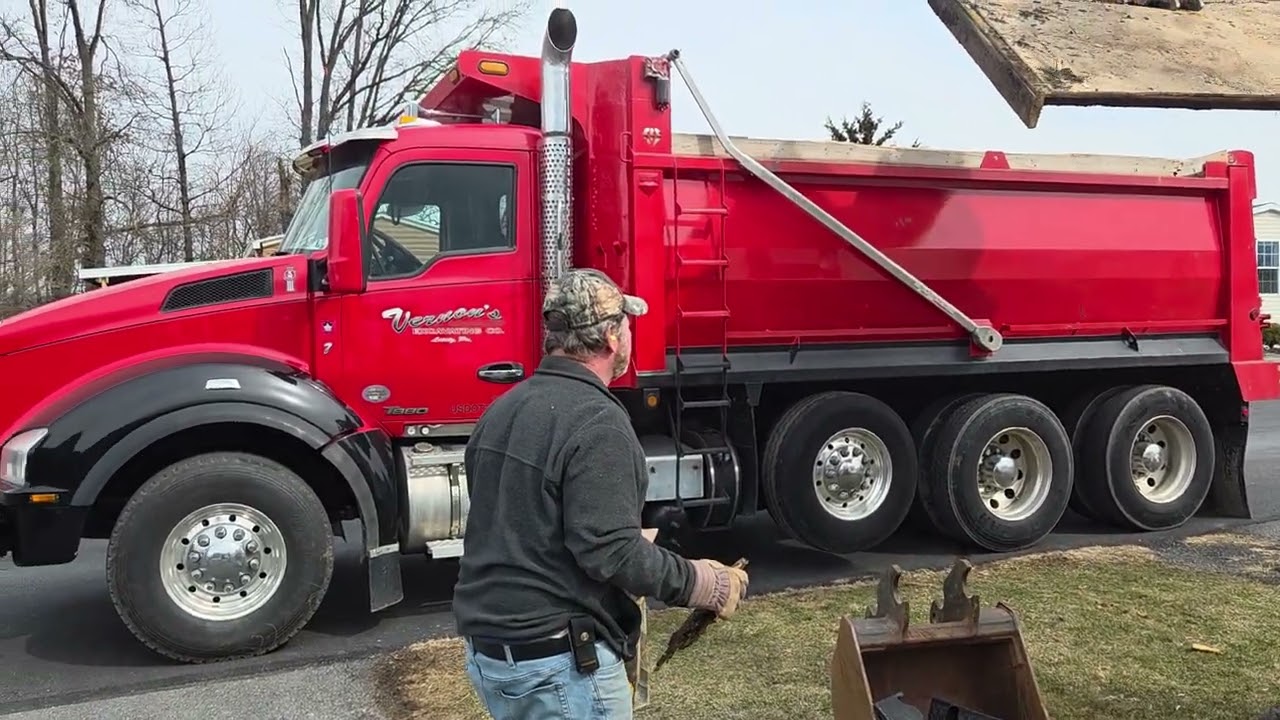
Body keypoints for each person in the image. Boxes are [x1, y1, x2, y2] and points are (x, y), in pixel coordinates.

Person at [453, 268, 750, 720]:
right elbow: (609, 551)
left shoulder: (503, 408)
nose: (630, 332)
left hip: (492, 656)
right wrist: (703, 583)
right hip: (557, 665)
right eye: (627, 323)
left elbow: (523, 524)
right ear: (612, 337)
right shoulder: (598, 421)